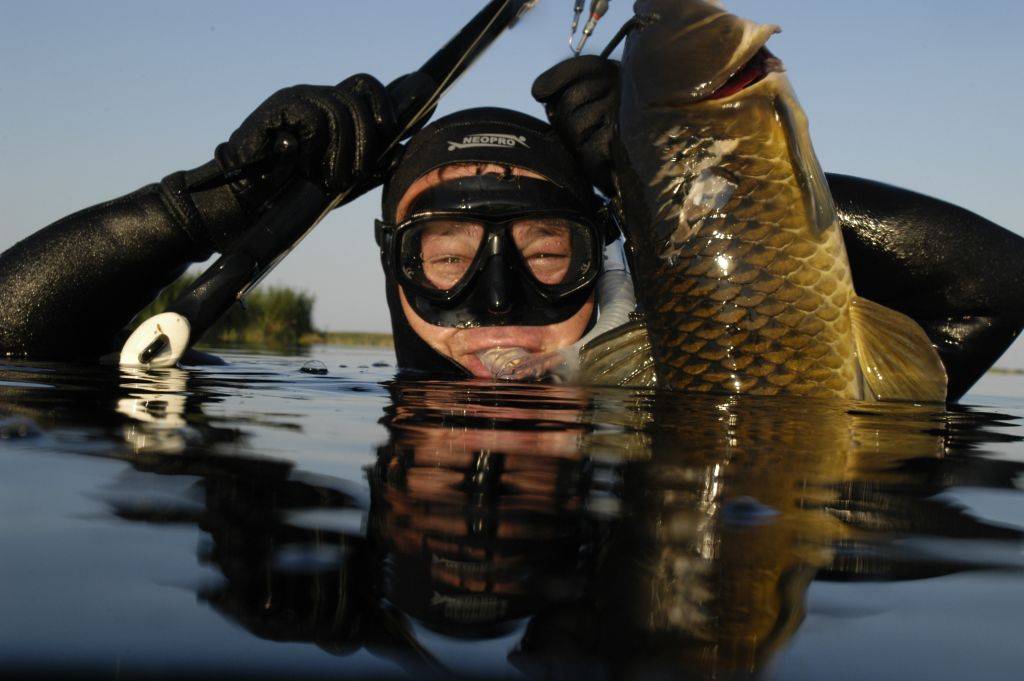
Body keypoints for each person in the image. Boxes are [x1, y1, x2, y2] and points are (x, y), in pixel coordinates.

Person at [1, 58, 1021, 402]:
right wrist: (213, 202)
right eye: (443, 261)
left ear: (604, 254)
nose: (499, 306)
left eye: (545, 256)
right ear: (393, 272)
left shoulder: (699, 394)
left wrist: (689, 177)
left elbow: (996, 284)